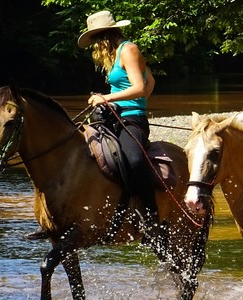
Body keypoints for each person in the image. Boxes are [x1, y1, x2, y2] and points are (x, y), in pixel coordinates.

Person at [78, 11, 160, 237]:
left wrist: (113, 100)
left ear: (104, 37)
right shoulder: (116, 54)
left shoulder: (129, 50)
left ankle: (152, 216)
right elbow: (150, 80)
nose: (95, 47)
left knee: (133, 159)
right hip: (116, 115)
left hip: (133, 120)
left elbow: (141, 87)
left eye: (96, 41)